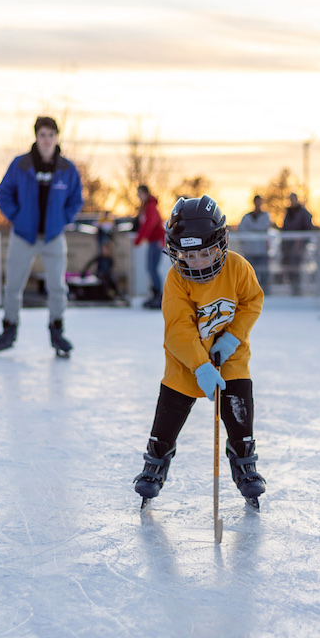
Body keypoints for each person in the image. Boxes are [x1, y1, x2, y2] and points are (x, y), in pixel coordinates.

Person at [132, 195, 267, 509]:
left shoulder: (237, 268)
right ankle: (156, 460)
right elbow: (178, 330)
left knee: (238, 412)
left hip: (230, 359)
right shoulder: (175, 281)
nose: (198, 262)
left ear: (220, 246)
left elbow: (252, 302)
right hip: (185, 363)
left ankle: (244, 460)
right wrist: (201, 366)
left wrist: (232, 339)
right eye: (189, 256)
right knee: (168, 415)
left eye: (205, 253)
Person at [0, 115, 83, 357]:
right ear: (36, 137)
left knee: (57, 287)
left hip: (52, 237)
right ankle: (9, 330)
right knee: (13, 286)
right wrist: (18, 218)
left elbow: (76, 200)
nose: (46, 140)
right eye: (42, 135)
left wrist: (61, 220)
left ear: (56, 137)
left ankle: (57, 330)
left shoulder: (67, 169)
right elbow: (3, 193)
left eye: (51, 135)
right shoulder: (21, 165)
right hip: (23, 236)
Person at [133, 185, 166, 309]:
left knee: (152, 268)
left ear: (144, 193)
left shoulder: (151, 206)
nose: (138, 196)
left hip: (156, 241)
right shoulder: (146, 206)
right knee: (150, 268)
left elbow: (150, 224)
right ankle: (155, 294)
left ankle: (159, 296)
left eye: (139, 193)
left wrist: (140, 238)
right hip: (153, 241)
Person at [237, 194, 274, 294]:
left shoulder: (265, 216)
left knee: (264, 274)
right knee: (250, 275)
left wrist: (252, 229)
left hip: (262, 251)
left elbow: (262, 227)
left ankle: (266, 294)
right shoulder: (247, 217)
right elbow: (242, 230)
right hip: (249, 251)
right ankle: (250, 294)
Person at [280, 192, 314, 295]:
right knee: (289, 269)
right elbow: (284, 229)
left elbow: (308, 229)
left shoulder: (303, 213)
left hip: (298, 247)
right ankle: (293, 291)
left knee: (297, 269)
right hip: (288, 247)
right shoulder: (288, 213)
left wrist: (301, 241)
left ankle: (298, 291)